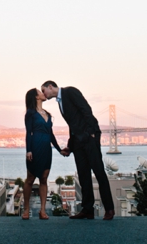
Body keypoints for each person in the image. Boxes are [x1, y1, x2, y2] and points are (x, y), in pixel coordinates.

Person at [41, 81, 115, 220]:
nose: (44, 95)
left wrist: (92, 133)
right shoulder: (60, 102)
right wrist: (70, 145)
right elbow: (73, 124)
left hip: (89, 138)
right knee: (83, 175)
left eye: (44, 90)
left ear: (50, 87)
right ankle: (88, 210)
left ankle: (109, 209)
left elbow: (86, 109)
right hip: (78, 142)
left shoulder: (70, 91)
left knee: (99, 172)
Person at [22, 88, 62, 220]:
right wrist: (28, 150)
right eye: (40, 92)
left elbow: (51, 134)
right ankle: (26, 209)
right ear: (36, 97)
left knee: (44, 179)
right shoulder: (30, 114)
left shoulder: (48, 114)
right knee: (30, 179)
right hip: (35, 147)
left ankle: (42, 210)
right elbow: (28, 133)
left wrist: (59, 149)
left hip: (46, 149)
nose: (43, 93)